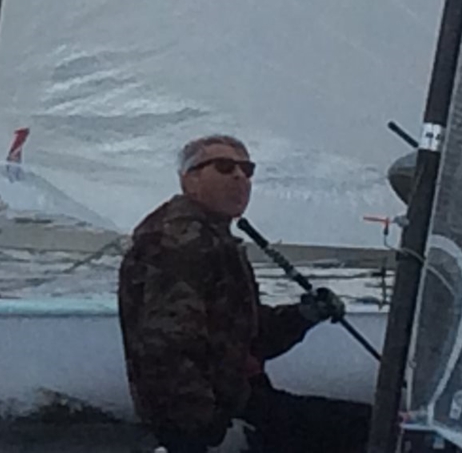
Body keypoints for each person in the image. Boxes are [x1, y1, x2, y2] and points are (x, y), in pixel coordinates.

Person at [118, 134, 372, 453]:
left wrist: (304, 315)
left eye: (247, 169)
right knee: (371, 430)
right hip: (211, 420)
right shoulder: (180, 244)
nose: (240, 176)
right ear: (190, 180)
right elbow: (167, 349)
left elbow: (245, 334)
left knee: (370, 426)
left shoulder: (214, 239)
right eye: (224, 167)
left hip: (237, 402)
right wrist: (205, 432)